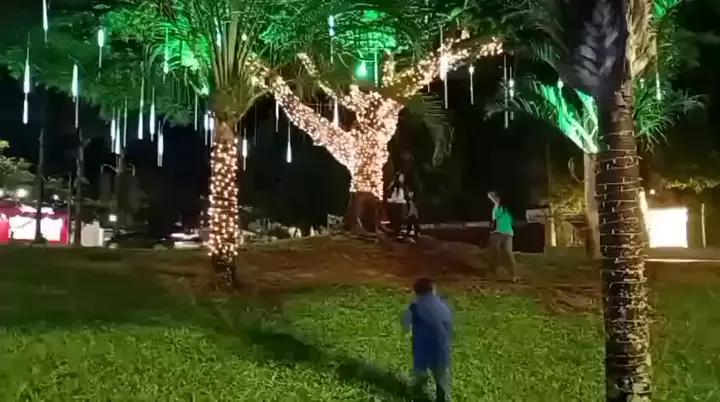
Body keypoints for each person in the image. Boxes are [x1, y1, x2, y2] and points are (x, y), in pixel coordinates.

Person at [401, 278, 452, 402]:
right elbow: (448, 324)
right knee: (441, 375)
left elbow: (405, 323)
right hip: (441, 346)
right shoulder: (442, 305)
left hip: (422, 348)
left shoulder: (414, 307)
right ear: (433, 290)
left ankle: (417, 390)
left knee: (420, 371)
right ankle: (442, 396)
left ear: (416, 292)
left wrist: (408, 332)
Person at [487, 190, 517, 282]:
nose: (494, 199)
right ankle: (496, 273)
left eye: (496, 198)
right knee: (496, 253)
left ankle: (513, 275)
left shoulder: (506, 209)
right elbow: (494, 221)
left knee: (508, 253)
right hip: (497, 233)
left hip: (507, 233)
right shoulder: (496, 209)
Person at [387, 172, 408, 239]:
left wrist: (391, 200)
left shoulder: (400, 187)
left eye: (403, 177)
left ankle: (397, 232)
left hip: (399, 205)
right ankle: (397, 233)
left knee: (398, 220)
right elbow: (395, 197)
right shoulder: (395, 187)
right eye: (401, 177)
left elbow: (399, 197)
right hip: (396, 206)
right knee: (397, 220)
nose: (402, 179)